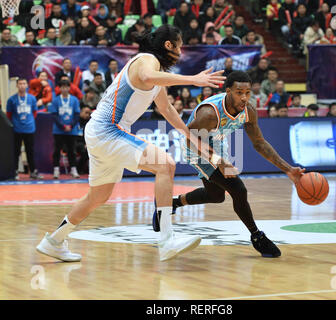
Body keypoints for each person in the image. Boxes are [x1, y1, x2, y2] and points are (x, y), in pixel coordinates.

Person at [36, 24, 226, 263]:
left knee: (98, 197)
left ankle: (53, 241)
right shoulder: (146, 60)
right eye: (179, 46)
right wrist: (193, 79)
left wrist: (191, 137)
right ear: (168, 46)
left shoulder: (157, 75)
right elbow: (147, 76)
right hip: (108, 129)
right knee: (165, 164)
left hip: (99, 132)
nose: (181, 51)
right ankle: (167, 240)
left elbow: (165, 108)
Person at [152, 71, 304, 258]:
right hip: (195, 147)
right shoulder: (209, 113)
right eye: (239, 92)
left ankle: (173, 202)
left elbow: (259, 143)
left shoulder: (248, 111)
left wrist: (288, 169)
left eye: (247, 93)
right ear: (228, 91)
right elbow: (192, 140)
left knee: (215, 196)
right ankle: (257, 237)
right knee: (238, 189)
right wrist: (219, 162)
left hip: (217, 143)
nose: (244, 97)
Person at [6, 78, 43, 180]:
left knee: (30, 151)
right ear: (17, 86)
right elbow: (8, 115)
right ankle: (15, 171)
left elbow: (34, 113)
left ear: (27, 86)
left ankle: (33, 172)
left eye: (24, 83)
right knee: (16, 151)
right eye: (20, 84)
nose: (22, 85)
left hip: (29, 129)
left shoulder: (32, 99)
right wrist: (15, 124)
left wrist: (29, 121)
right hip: (17, 129)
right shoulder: (11, 99)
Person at [50, 80, 81, 180]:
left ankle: (73, 169)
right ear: (59, 88)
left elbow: (77, 114)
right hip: (59, 130)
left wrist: (71, 126)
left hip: (72, 130)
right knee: (57, 150)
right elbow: (54, 115)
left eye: (66, 87)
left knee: (72, 150)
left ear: (69, 88)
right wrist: (63, 126)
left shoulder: (74, 100)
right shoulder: (55, 100)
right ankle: (56, 170)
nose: (64, 89)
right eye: (62, 87)